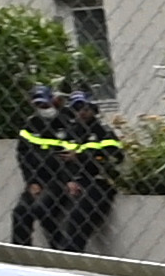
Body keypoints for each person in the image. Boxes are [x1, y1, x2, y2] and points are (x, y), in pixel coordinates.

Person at [11, 86, 122, 254]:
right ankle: (30, 252)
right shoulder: (70, 130)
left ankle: (67, 252)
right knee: (26, 211)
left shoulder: (102, 131)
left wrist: (81, 157)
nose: (81, 112)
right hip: (65, 179)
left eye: (84, 108)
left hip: (98, 180)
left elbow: (114, 156)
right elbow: (58, 159)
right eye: (76, 108)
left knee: (75, 215)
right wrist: (65, 179)